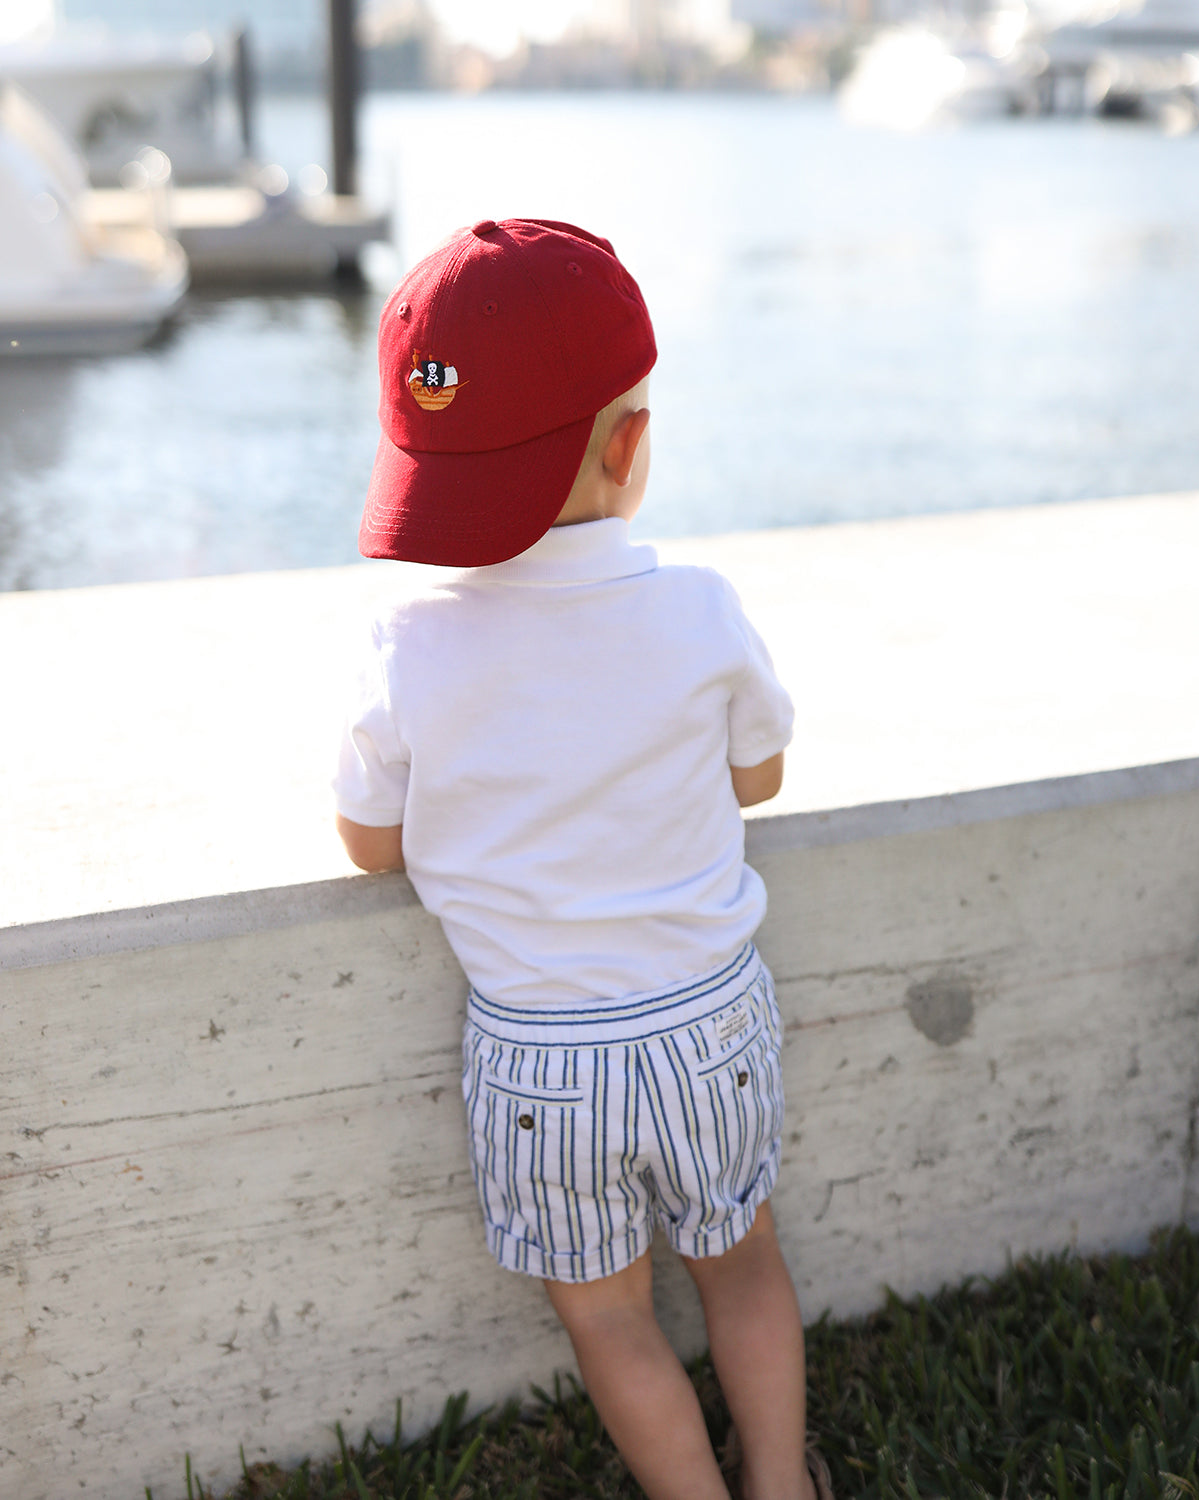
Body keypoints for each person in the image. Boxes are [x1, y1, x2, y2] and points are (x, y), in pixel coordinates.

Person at [333, 218, 833, 1500]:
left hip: (543, 1058)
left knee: (609, 1317)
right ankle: (781, 1480)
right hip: (710, 1027)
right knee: (745, 1262)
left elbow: (370, 844)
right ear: (629, 446)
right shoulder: (699, 607)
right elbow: (759, 776)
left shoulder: (411, 645)